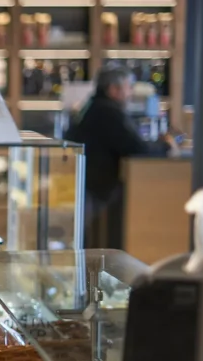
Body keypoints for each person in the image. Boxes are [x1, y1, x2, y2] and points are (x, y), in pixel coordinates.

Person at [65, 66, 178, 249]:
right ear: (113, 89)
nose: (130, 93)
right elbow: (137, 149)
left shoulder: (92, 106)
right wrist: (165, 146)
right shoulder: (109, 112)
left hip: (85, 183)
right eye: (128, 87)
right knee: (93, 239)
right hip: (96, 187)